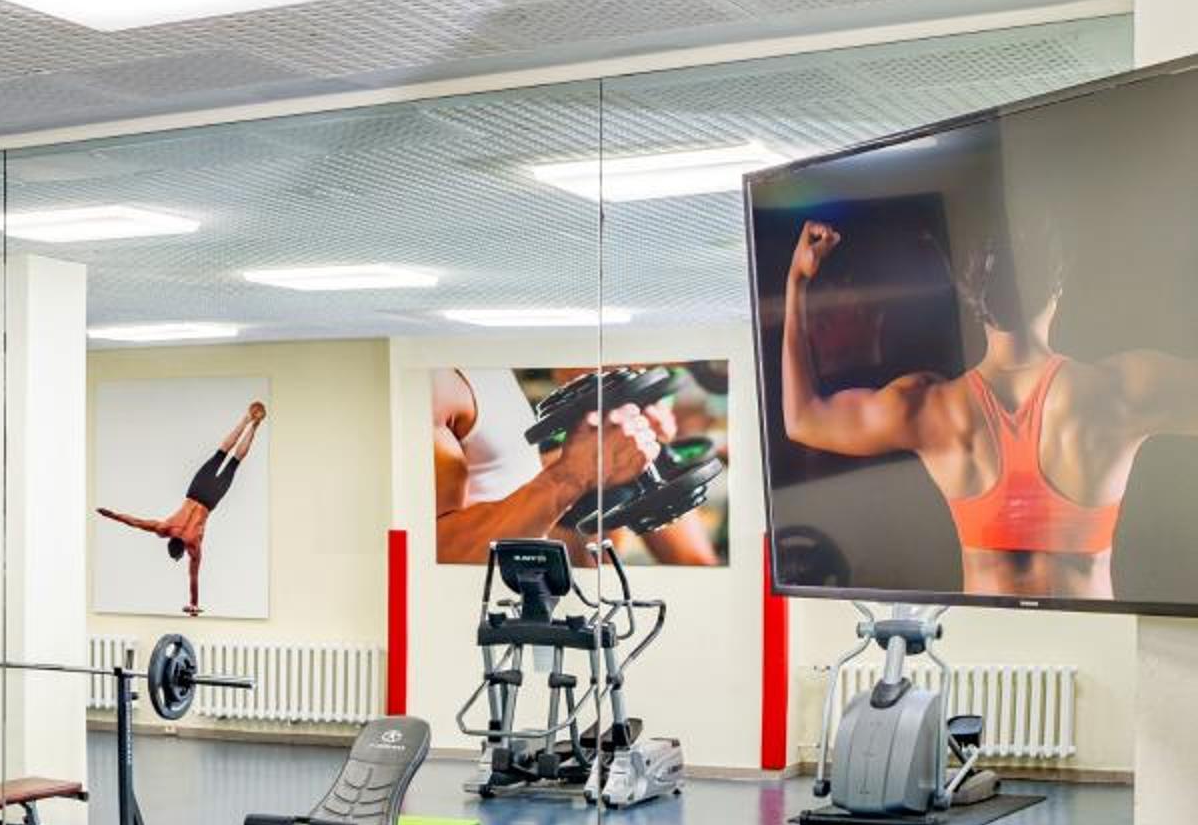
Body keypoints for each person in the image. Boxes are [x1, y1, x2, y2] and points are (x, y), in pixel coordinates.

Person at [780, 217, 1198, 599]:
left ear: (973, 298)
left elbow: (803, 419)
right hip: (1089, 641)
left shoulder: (934, 410)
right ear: (1056, 287)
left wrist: (796, 281)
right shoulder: (1117, 392)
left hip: (989, 641)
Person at [432, 367, 715, 567]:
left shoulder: (489, 368)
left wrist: (609, 454)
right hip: (481, 606)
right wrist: (572, 474)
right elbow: (436, 554)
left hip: (531, 591)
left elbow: (505, 481)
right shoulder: (440, 383)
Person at [96, 400, 266, 614]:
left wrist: (194, 604)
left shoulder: (193, 544)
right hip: (195, 491)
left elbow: (193, 577)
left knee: (235, 462)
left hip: (210, 500)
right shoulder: (165, 528)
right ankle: (247, 419)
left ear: (183, 549)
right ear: (168, 540)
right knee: (221, 453)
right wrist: (111, 515)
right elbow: (136, 522)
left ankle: (255, 425)